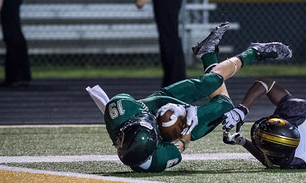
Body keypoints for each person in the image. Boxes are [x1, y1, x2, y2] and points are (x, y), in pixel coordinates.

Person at [87, 22, 292, 173]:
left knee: (209, 83)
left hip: (157, 102)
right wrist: (186, 122)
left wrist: (166, 110)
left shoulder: (120, 112)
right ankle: (208, 53)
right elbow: (183, 144)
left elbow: (146, 105)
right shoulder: (157, 161)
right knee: (223, 105)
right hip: (182, 127)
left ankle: (254, 53)